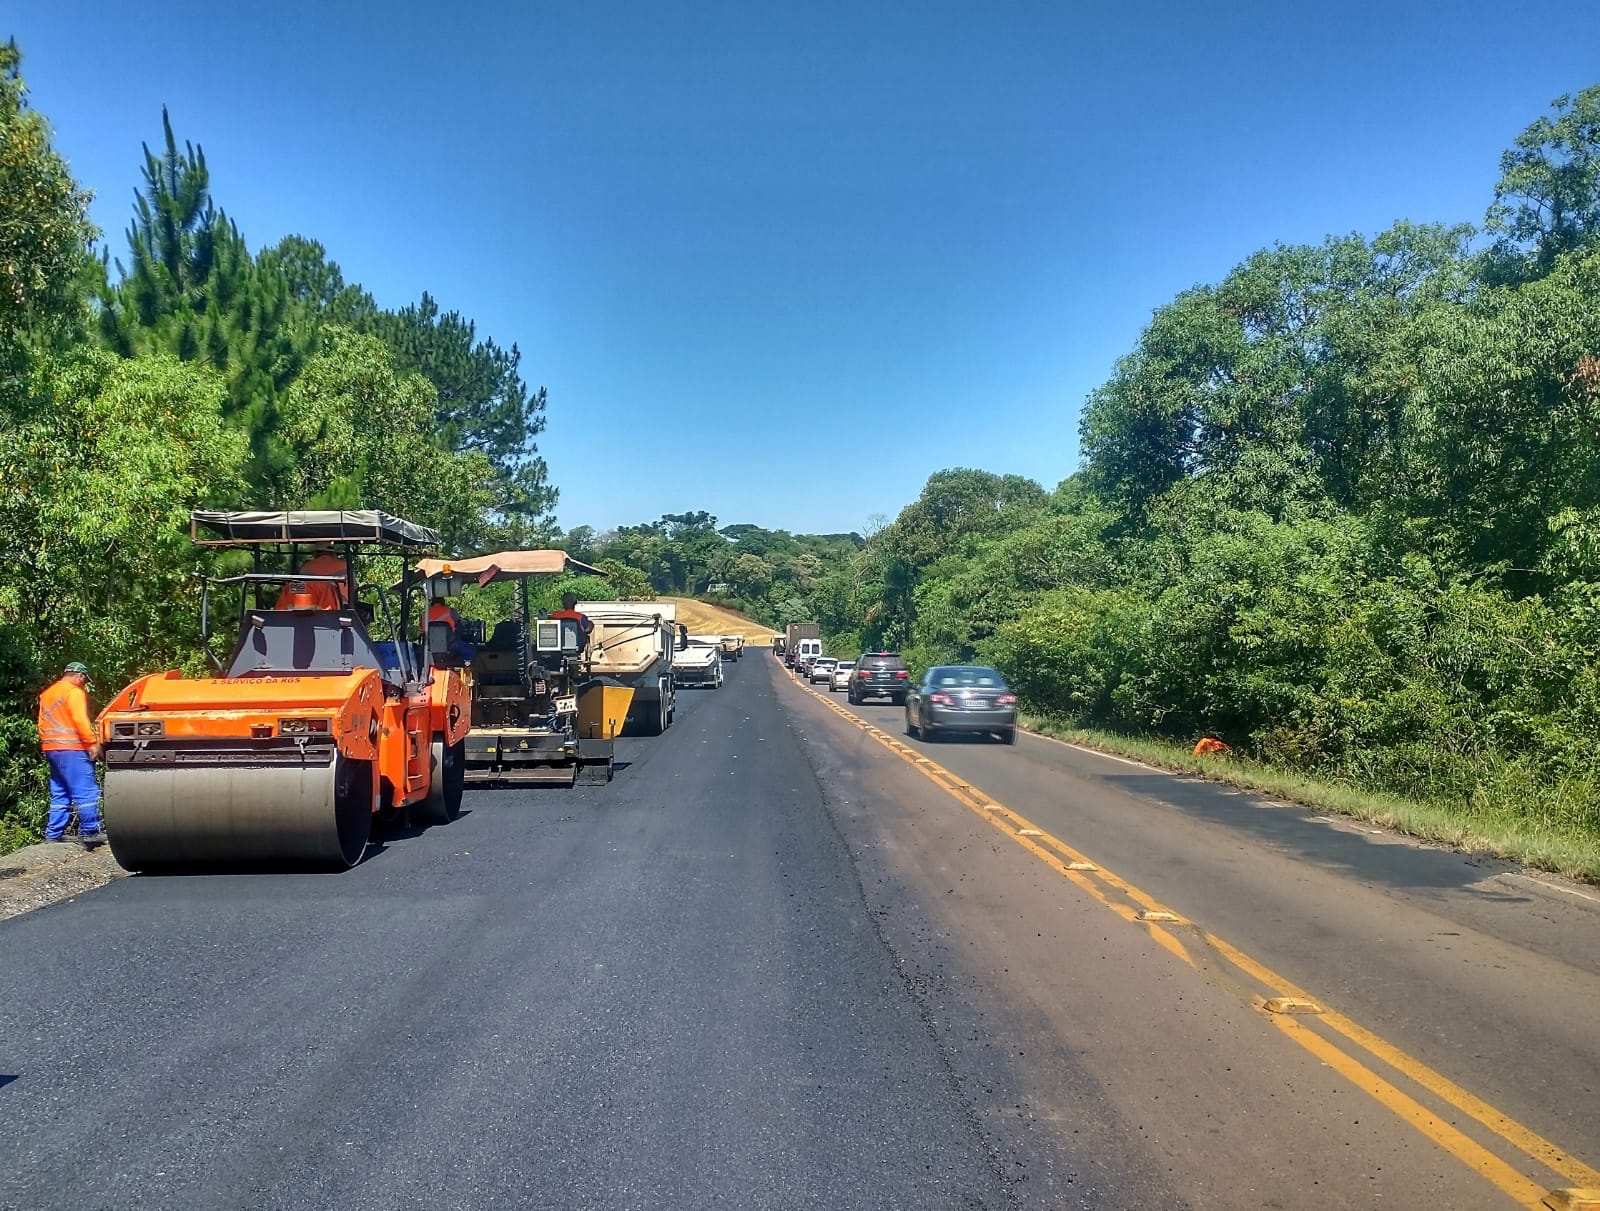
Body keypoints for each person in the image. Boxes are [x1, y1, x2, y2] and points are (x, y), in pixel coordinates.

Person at [37, 662, 104, 846]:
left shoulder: (47, 693)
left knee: (60, 792)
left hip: (52, 749)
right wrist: (92, 743)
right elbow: (80, 720)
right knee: (86, 790)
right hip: (73, 749)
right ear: (80, 676)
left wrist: (49, 743)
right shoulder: (74, 692)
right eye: (85, 680)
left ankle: (53, 834)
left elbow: (41, 724)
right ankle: (90, 832)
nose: (84, 684)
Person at [274, 549, 348, 611]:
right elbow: (350, 589)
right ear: (333, 553)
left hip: (301, 604)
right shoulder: (344, 565)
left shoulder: (306, 566)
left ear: (316, 553)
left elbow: (299, 586)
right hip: (336, 605)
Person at [425, 598, 476, 664]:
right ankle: (463, 666)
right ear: (443, 602)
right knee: (472, 651)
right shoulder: (450, 611)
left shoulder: (425, 614)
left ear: (432, 603)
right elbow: (463, 623)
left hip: (430, 648)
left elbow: (423, 631)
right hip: (450, 646)